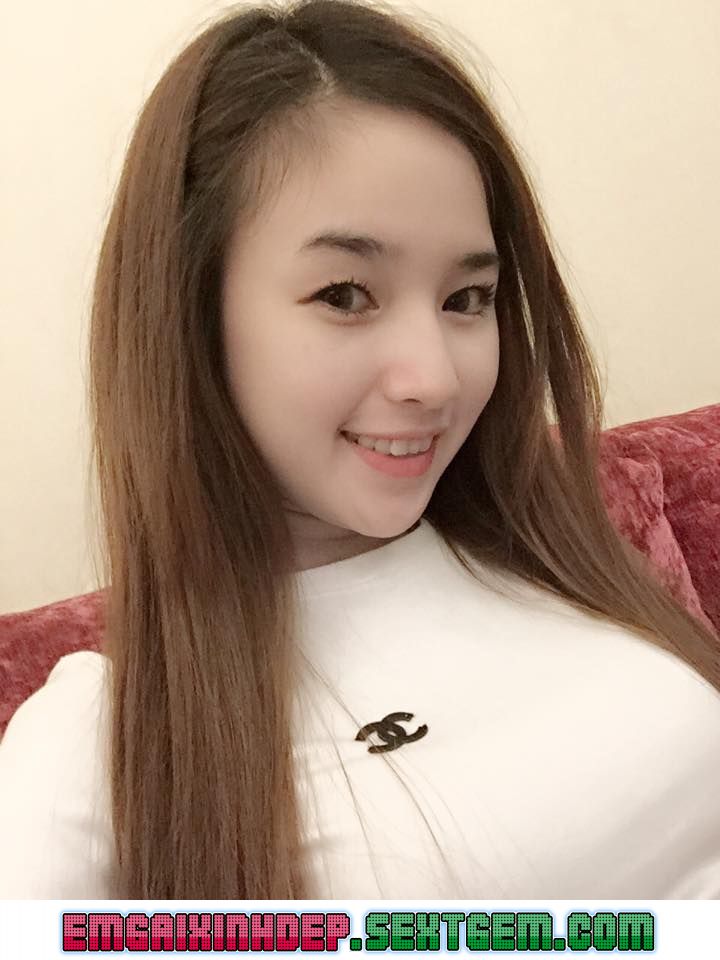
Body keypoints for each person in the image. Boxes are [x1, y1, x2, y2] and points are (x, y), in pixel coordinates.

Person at [1, 0, 719, 900]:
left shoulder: (553, 554)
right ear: (190, 320)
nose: (435, 378)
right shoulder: (104, 747)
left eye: (467, 299)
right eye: (345, 294)